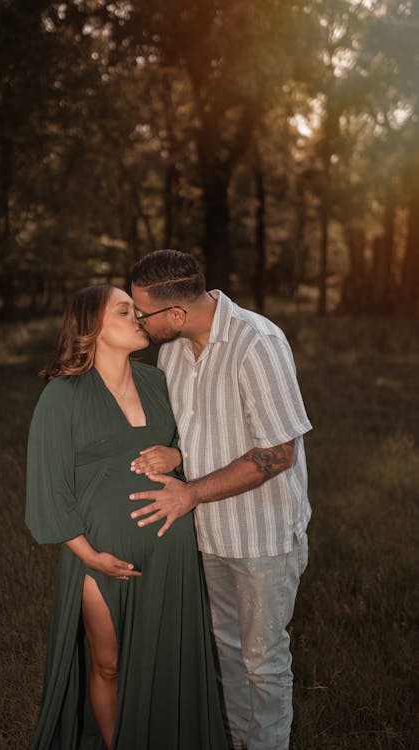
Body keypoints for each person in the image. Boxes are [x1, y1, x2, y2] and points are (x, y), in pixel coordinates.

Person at [25, 284, 229, 750]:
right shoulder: (63, 396)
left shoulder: (157, 383)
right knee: (109, 664)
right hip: (101, 557)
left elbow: (193, 449)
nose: (138, 317)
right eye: (124, 311)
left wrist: (177, 457)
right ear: (92, 326)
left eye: (137, 310)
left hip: (172, 554)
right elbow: (48, 488)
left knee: (165, 662)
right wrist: (89, 556)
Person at [129, 250, 312, 750]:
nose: (139, 323)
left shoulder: (259, 342)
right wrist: (174, 454)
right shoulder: (172, 352)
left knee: (263, 661)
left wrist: (190, 492)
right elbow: (201, 434)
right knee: (227, 656)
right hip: (208, 535)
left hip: (262, 537)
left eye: (144, 314)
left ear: (177, 313)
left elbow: (276, 453)